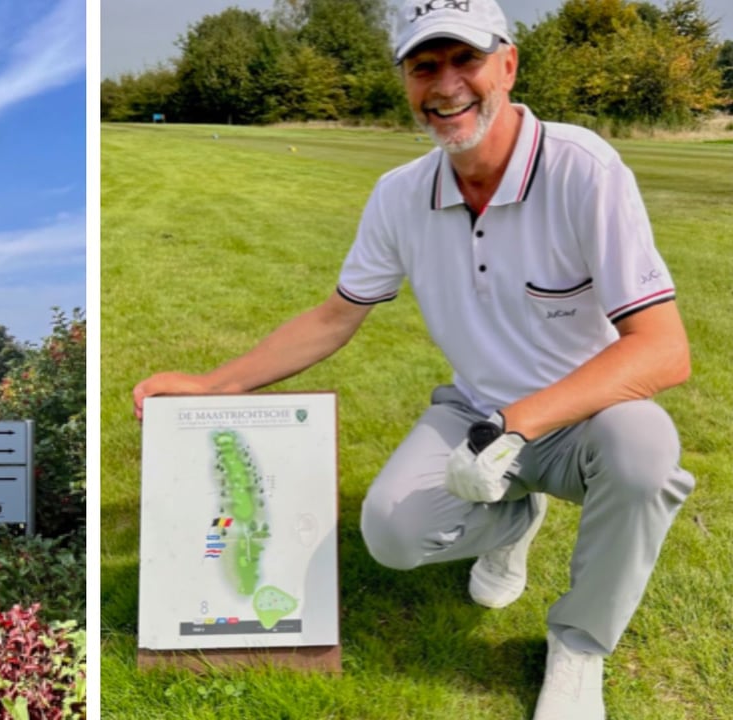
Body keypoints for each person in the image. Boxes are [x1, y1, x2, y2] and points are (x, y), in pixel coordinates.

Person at [132, 0, 695, 717]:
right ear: (406, 81)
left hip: (589, 413)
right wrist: (212, 384)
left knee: (645, 454)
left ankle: (580, 645)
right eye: (424, 66)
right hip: (475, 410)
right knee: (391, 532)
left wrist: (519, 427)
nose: (446, 84)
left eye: (467, 59)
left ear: (509, 64)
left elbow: (664, 348)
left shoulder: (584, 167)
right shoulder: (398, 195)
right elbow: (336, 316)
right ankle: (515, 524)